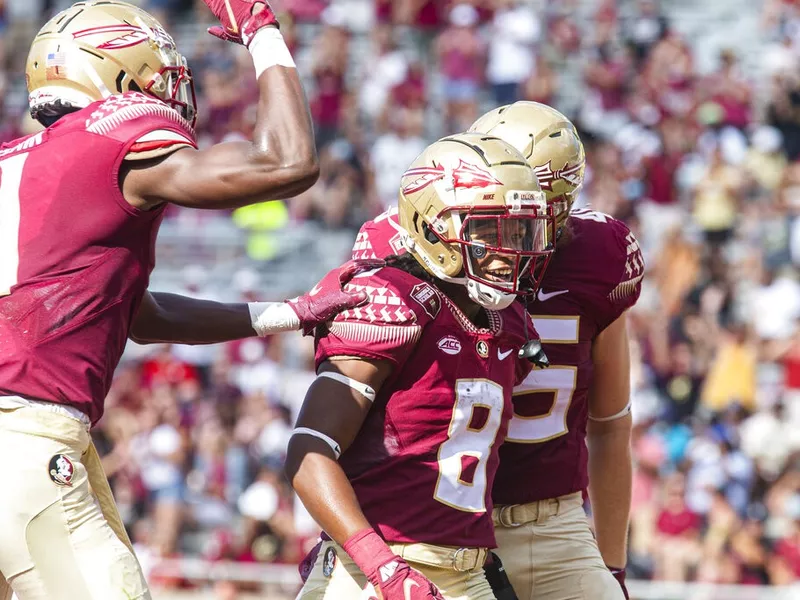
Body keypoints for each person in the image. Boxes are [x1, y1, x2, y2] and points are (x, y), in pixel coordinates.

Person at [0, 1, 365, 599]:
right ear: (114, 71)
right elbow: (287, 162)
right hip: (27, 441)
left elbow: (141, 315)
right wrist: (263, 33)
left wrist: (289, 312)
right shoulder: (107, 138)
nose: (166, 85)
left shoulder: (18, 163)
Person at [349, 102, 645, 600]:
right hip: (428, 525)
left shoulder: (600, 257)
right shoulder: (407, 243)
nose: (511, 224)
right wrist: (350, 541)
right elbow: (351, 412)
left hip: (547, 523)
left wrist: (612, 564)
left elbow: (612, 421)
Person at [286, 133, 553, 600]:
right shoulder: (389, 303)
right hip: (382, 571)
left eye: (520, 232)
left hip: (470, 574)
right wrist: (378, 566)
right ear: (433, 228)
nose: (509, 250)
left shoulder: (509, 322)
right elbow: (309, 454)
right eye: (490, 231)